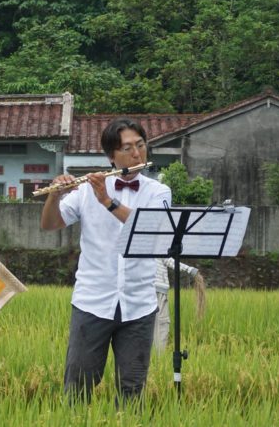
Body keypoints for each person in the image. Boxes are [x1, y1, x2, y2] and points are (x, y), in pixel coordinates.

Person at [40, 118, 171, 404]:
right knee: (77, 389)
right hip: (93, 301)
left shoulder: (158, 191)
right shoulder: (87, 188)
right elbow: (50, 224)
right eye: (127, 148)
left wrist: (108, 202)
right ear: (111, 156)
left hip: (139, 304)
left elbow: (150, 228)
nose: (137, 154)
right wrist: (54, 195)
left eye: (140, 145)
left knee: (132, 391)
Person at [153, 257, 206, 353]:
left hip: (142, 291)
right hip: (158, 290)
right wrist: (189, 269)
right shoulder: (157, 244)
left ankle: (154, 360)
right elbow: (169, 260)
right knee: (161, 326)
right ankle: (158, 360)